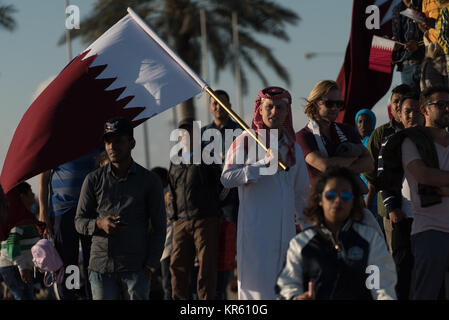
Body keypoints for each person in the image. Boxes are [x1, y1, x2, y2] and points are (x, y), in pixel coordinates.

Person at [221, 86, 310, 300]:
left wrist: (309, 232)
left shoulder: (293, 148)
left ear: (286, 112)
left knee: (285, 290)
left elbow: (301, 194)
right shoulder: (245, 140)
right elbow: (226, 178)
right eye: (269, 107)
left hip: (286, 235)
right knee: (256, 294)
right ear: (260, 110)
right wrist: (261, 165)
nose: (274, 112)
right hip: (256, 235)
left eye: (279, 108)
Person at [75, 117, 166, 300]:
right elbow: (79, 222)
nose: (112, 146)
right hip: (100, 268)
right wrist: (100, 224)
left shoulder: (149, 181)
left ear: (132, 143)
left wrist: (150, 265)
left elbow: (159, 228)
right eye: (108, 141)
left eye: (118, 141)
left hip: (136, 269)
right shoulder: (93, 180)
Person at [276, 166, 397, 300]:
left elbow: (383, 287)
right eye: (331, 195)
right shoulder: (301, 244)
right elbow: (287, 288)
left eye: (345, 196)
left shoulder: (369, 239)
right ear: (320, 199)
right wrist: (297, 298)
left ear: (353, 200)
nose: (338, 201)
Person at [380, 86, 449, 299]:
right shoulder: (411, 141)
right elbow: (424, 175)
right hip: (430, 230)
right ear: (425, 110)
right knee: (424, 293)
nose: (447, 108)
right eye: (440, 104)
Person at [168, 118, 223, 300]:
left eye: (191, 131)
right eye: (183, 131)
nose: (186, 134)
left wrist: (215, 210)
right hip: (181, 223)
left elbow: (223, 185)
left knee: (206, 268)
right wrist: (174, 218)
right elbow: (172, 191)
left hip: (205, 221)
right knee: (177, 267)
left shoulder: (208, 157)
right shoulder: (175, 161)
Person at [376, 92, 423, 300]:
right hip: (403, 217)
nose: (412, 115)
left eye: (417, 110)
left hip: (434, 219)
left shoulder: (438, 140)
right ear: (399, 116)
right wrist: (392, 208)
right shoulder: (391, 142)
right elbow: (383, 178)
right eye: (407, 111)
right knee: (402, 272)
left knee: (432, 273)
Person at [38, 148, 101, 300]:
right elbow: (44, 178)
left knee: (93, 262)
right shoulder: (57, 143)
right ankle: (69, 297)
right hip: (62, 211)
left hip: (90, 210)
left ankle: (93, 296)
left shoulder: (96, 140)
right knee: (68, 263)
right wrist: (43, 211)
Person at [296, 80, 374, 187]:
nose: (335, 108)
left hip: (351, 199)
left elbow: (369, 163)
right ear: (315, 104)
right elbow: (325, 166)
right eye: (329, 103)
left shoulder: (347, 130)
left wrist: (336, 166)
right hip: (322, 200)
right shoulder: (303, 136)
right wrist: (354, 159)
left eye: (339, 104)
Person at [201, 89, 240, 300]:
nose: (218, 107)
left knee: (233, 252)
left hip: (235, 204)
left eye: (222, 104)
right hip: (210, 205)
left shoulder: (240, 132)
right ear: (210, 107)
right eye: (215, 103)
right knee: (214, 257)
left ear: (230, 106)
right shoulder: (202, 135)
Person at [365, 84, 411, 251]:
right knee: (395, 256)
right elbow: (371, 172)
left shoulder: (423, 132)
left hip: (419, 209)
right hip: (389, 209)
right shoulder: (381, 134)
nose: (398, 105)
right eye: (395, 101)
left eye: (402, 100)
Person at [0, 182, 41, 300]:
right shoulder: (18, 218)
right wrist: (22, 267)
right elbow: (12, 245)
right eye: (31, 192)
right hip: (14, 267)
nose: (34, 195)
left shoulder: (26, 216)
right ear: (22, 197)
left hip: (20, 266)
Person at [392, 0, 425, 93]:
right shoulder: (397, 9)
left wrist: (418, 46)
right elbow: (397, 36)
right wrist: (394, 44)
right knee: (411, 102)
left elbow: (434, 33)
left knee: (430, 101)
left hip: (427, 62)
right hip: (406, 66)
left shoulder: (427, 3)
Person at [151, 166, 172, 301]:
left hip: (169, 248)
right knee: (166, 286)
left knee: (168, 286)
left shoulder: (167, 195)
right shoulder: (158, 195)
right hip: (163, 248)